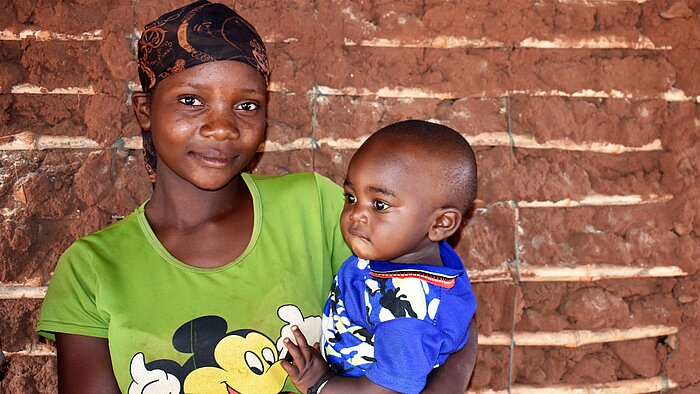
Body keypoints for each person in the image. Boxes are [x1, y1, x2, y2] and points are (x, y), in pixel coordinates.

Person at [35, 2, 477, 393]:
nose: (222, 128)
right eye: (191, 100)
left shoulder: (319, 208)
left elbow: (442, 313)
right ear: (145, 110)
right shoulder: (91, 270)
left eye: (246, 106)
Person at [281, 120, 478, 393]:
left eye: (379, 204)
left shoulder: (406, 317)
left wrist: (319, 383)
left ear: (440, 224)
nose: (356, 214)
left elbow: (382, 391)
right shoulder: (411, 254)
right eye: (351, 197)